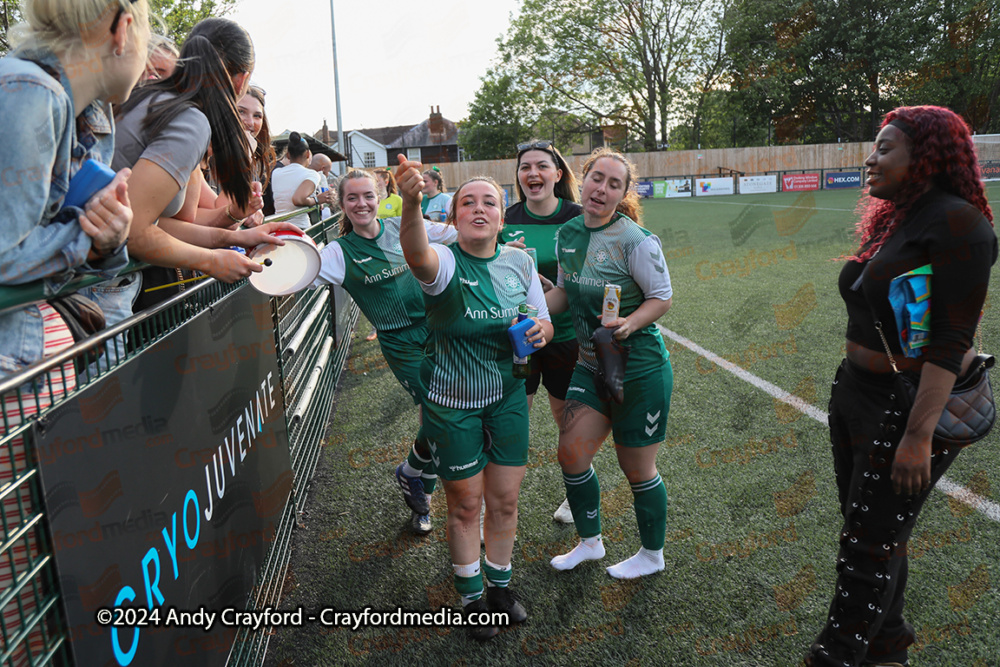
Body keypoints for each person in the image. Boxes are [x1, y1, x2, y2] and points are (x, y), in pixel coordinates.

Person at [806, 106, 996, 667]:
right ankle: (889, 649)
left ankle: (837, 656)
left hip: (908, 406)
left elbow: (949, 339)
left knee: (867, 546)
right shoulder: (898, 217)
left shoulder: (960, 223)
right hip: (856, 393)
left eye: (885, 147)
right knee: (875, 531)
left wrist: (919, 436)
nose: (871, 158)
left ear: (927, 156)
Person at [0, 0, 150, 661]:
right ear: (121, 27)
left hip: (26, 364)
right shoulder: (30, 91)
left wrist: (105, 244)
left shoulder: (74, 109)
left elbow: (74, 248)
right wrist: (84, 246)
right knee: (22, 593)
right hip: (15, 370)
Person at [396, 154, 553, 638]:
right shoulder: (443, 262)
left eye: (490, 203)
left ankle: (501, 587)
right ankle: (471, 598)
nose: (479, 209)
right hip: (451, 403)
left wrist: (540, 331)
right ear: (454, 216)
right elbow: (415, 252)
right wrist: (409, 204)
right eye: (469, 203)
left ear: (503, 218)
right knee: (466, 505)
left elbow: (542, 318)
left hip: (507, 397)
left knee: (504, 501)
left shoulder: (519, 261)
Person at [109, 17, 296, 320]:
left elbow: (150, 219)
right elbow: (132, 231)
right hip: (104, 289)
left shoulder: (157, 101)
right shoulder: (190, 121)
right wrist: (211, 261)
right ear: (241, 81)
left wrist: (237, 238)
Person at [543, 147, 674, 580]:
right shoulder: (567, 235)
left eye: (614, 183)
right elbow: (562, 295)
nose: (602, 188)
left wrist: (629, 323)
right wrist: (529, 310)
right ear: (583, 180)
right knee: (571, 454)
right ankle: (590, 542)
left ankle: (651, 555)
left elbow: (661, 297)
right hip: (587, 363)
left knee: (637, 468)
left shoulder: (635, 240)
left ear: (623, 194)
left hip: (639, 367)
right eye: (597, 178)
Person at [312, 169, 458, 533]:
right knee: (441, 410)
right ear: (341, 204)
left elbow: (459, 235)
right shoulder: (337, 253)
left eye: (367, 196)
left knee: (441, 414)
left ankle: (412, 478)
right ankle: (420, 491)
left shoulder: (403, 226)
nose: (361, 204)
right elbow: (298, 274)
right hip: (400, 344)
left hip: (437, 332)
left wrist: (501, 242)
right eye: (352, 198)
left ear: (380, 197)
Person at [504, 140, 583, 523]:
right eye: (524, 167)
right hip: (518, 339)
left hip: (565, 336)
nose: (532, 173)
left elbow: (593, 277)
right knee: (513, 419)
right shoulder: (505, 218)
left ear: (558, 173)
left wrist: (558, 292)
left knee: (568, 422)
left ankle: (576, 493)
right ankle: (502, 503)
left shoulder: (579, 217)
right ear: (518, 177)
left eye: (541, 166)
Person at [272, 132, 335, 229]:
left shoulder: (276, 172)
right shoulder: (312, 174)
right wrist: (317, 200)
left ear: (288, 155)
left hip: (279, 227)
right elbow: (298, 199)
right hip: (300, 228)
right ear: (307, 154)